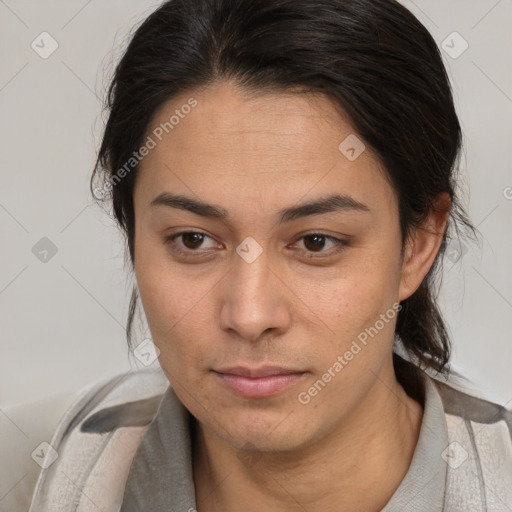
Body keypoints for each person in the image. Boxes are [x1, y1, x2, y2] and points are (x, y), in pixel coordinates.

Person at [3, 0, 511, 510]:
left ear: (417, 245)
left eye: (316, 242)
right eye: (193, 240)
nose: (249, 315)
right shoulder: (28, 476)